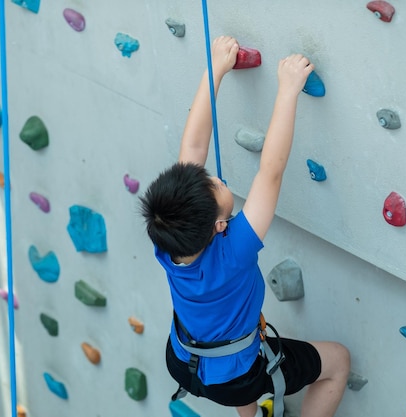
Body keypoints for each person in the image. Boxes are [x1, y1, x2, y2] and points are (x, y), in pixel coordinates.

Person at [139, 36, 350, 417]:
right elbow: (270, 173)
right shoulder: (235, 249)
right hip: (235, 378)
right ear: (221, 225)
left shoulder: (168, 242)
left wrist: (216, 68)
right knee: (337, 362)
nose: (217, 180)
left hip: (184, 360)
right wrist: (288, 90)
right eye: (216, 187)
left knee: (235, 372)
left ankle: (251, 413)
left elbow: (193, 148)